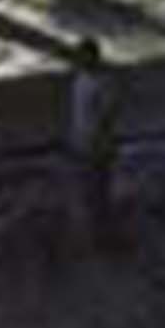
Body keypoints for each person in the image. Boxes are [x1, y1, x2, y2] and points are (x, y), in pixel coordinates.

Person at [67, 36, 127, 253]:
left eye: (85, 57)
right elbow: (78, 114)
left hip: (98, 146)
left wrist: (100, 142)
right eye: (79, 57)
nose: (81, 61)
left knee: (99, 191)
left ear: (95, 57)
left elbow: (107, 115)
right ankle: (92, 236)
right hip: (82, 142)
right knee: (86, 191)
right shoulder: (80, 80)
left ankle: (105, 237)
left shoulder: (104, 82)